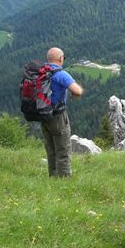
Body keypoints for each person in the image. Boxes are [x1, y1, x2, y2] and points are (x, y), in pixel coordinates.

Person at [42, 47, 83, 177]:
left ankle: (53, 176)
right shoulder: (60, 73)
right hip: (58, 116)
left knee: (51, 148)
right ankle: (64, 180)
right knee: (63, 149)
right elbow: (77, 91)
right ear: (60, 58)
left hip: (43, 115)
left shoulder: (41, 72)